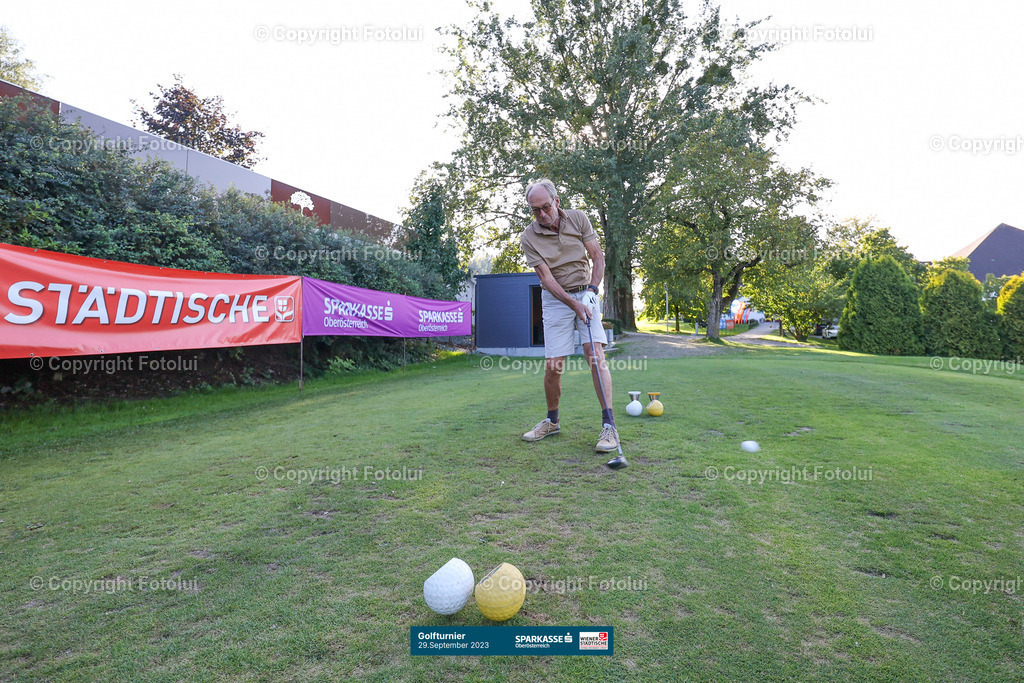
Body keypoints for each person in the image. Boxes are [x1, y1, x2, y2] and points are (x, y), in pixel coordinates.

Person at [518, 178, 626, 468]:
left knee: (595, 354)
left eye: (545, 207)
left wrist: (591, 292)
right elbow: (547, 280)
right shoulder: (528, 236)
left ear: (556, 201)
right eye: (534, 210)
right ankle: (552, 421)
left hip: (586, 292)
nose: (541, 214)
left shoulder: (578, 218)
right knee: (553, 365)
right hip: (556, 300)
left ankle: (609, 426)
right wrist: (573, 304)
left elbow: (597, 257)